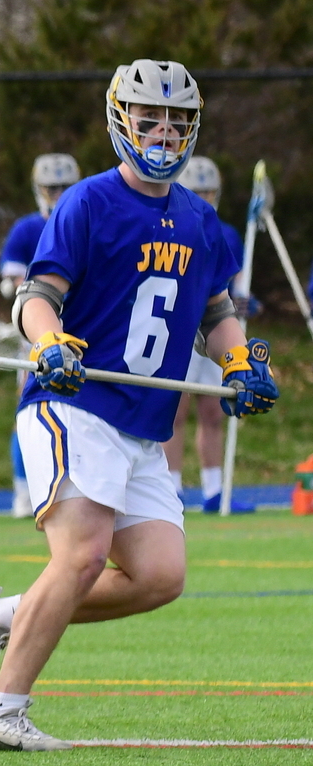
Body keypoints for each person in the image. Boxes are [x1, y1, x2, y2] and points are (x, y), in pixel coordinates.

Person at [0, 59, 277, 751]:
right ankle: (1, 711)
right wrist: (48, 341)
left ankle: (1, 615)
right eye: (149, 120)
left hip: (142, 425)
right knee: (82, 555)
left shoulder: (201, 221)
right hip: (76, 404)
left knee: (159, 575)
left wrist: (238, 361)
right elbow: (37, 297)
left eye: (177, 123)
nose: (163, 134)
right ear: (120, 121)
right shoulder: (88, 203)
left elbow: (217, 311)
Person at [162, 156, 253, 513]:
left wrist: (246, 300)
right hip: (181, 331)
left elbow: (236, 281)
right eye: (198, 191)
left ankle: (214, 490)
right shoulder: (169, 226)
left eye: (209, 191)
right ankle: (171, 488)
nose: (204, 198)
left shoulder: (223, 232)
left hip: (216, 330)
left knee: (214, 412)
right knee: (175, 412)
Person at [0, 154, 81, 518]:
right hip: (38, 332)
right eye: (51, 188)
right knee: (29, 406)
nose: (58, 194)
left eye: (64, 187)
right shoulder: (28, 229)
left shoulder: (87, 223)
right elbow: (14, 279)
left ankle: (73, 487)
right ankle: (23, 490)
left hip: (81, 330)